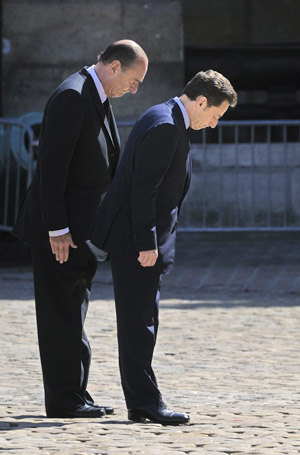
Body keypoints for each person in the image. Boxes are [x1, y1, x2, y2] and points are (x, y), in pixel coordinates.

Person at [89, 70, 237, 425]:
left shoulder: (164, 116)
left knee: (142, 321)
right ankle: (144, 402)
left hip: (141, 239)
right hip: (138, 243)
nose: (214, 124)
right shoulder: (167, 125)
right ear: (201, 102)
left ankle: (143, 400)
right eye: (215, 115)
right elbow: (144, 191)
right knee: (140, 323)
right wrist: (147, 242)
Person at [13, 40, 148, 418]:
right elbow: (52, 169)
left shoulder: (96, 94)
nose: (134, 89)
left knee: (74, 312)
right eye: (134, 80)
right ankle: (63, 400)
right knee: (61, 316)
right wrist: (57, 228)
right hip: (61, 234)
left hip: (83, 234)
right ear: (115, 66)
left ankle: (76, 393)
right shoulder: (73, 95)